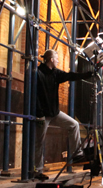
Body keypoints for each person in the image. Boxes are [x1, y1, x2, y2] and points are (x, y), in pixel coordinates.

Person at [34, 49, 93, 178]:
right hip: (43, 114)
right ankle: (37, 171)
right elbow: (35, 96)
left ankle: (77, 154)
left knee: (74, 125)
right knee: (38, 141)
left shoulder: (55, 73)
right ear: (51, 59)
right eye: (57, 58)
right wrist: (39, 114)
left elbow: (70, 76)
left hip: (54, 113)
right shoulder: (38, 73)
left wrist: (87, 74)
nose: (58, 61)